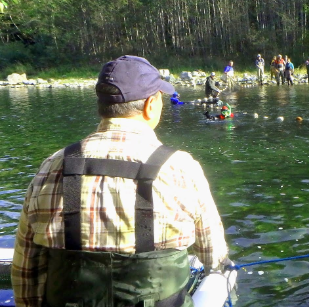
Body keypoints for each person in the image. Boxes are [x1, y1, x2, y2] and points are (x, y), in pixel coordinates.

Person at [12, 55, 230, 307]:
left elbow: (27, 267)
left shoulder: (52, 165)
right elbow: (212, 255)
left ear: (102, 105)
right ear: (150, 104)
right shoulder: (181, 168)